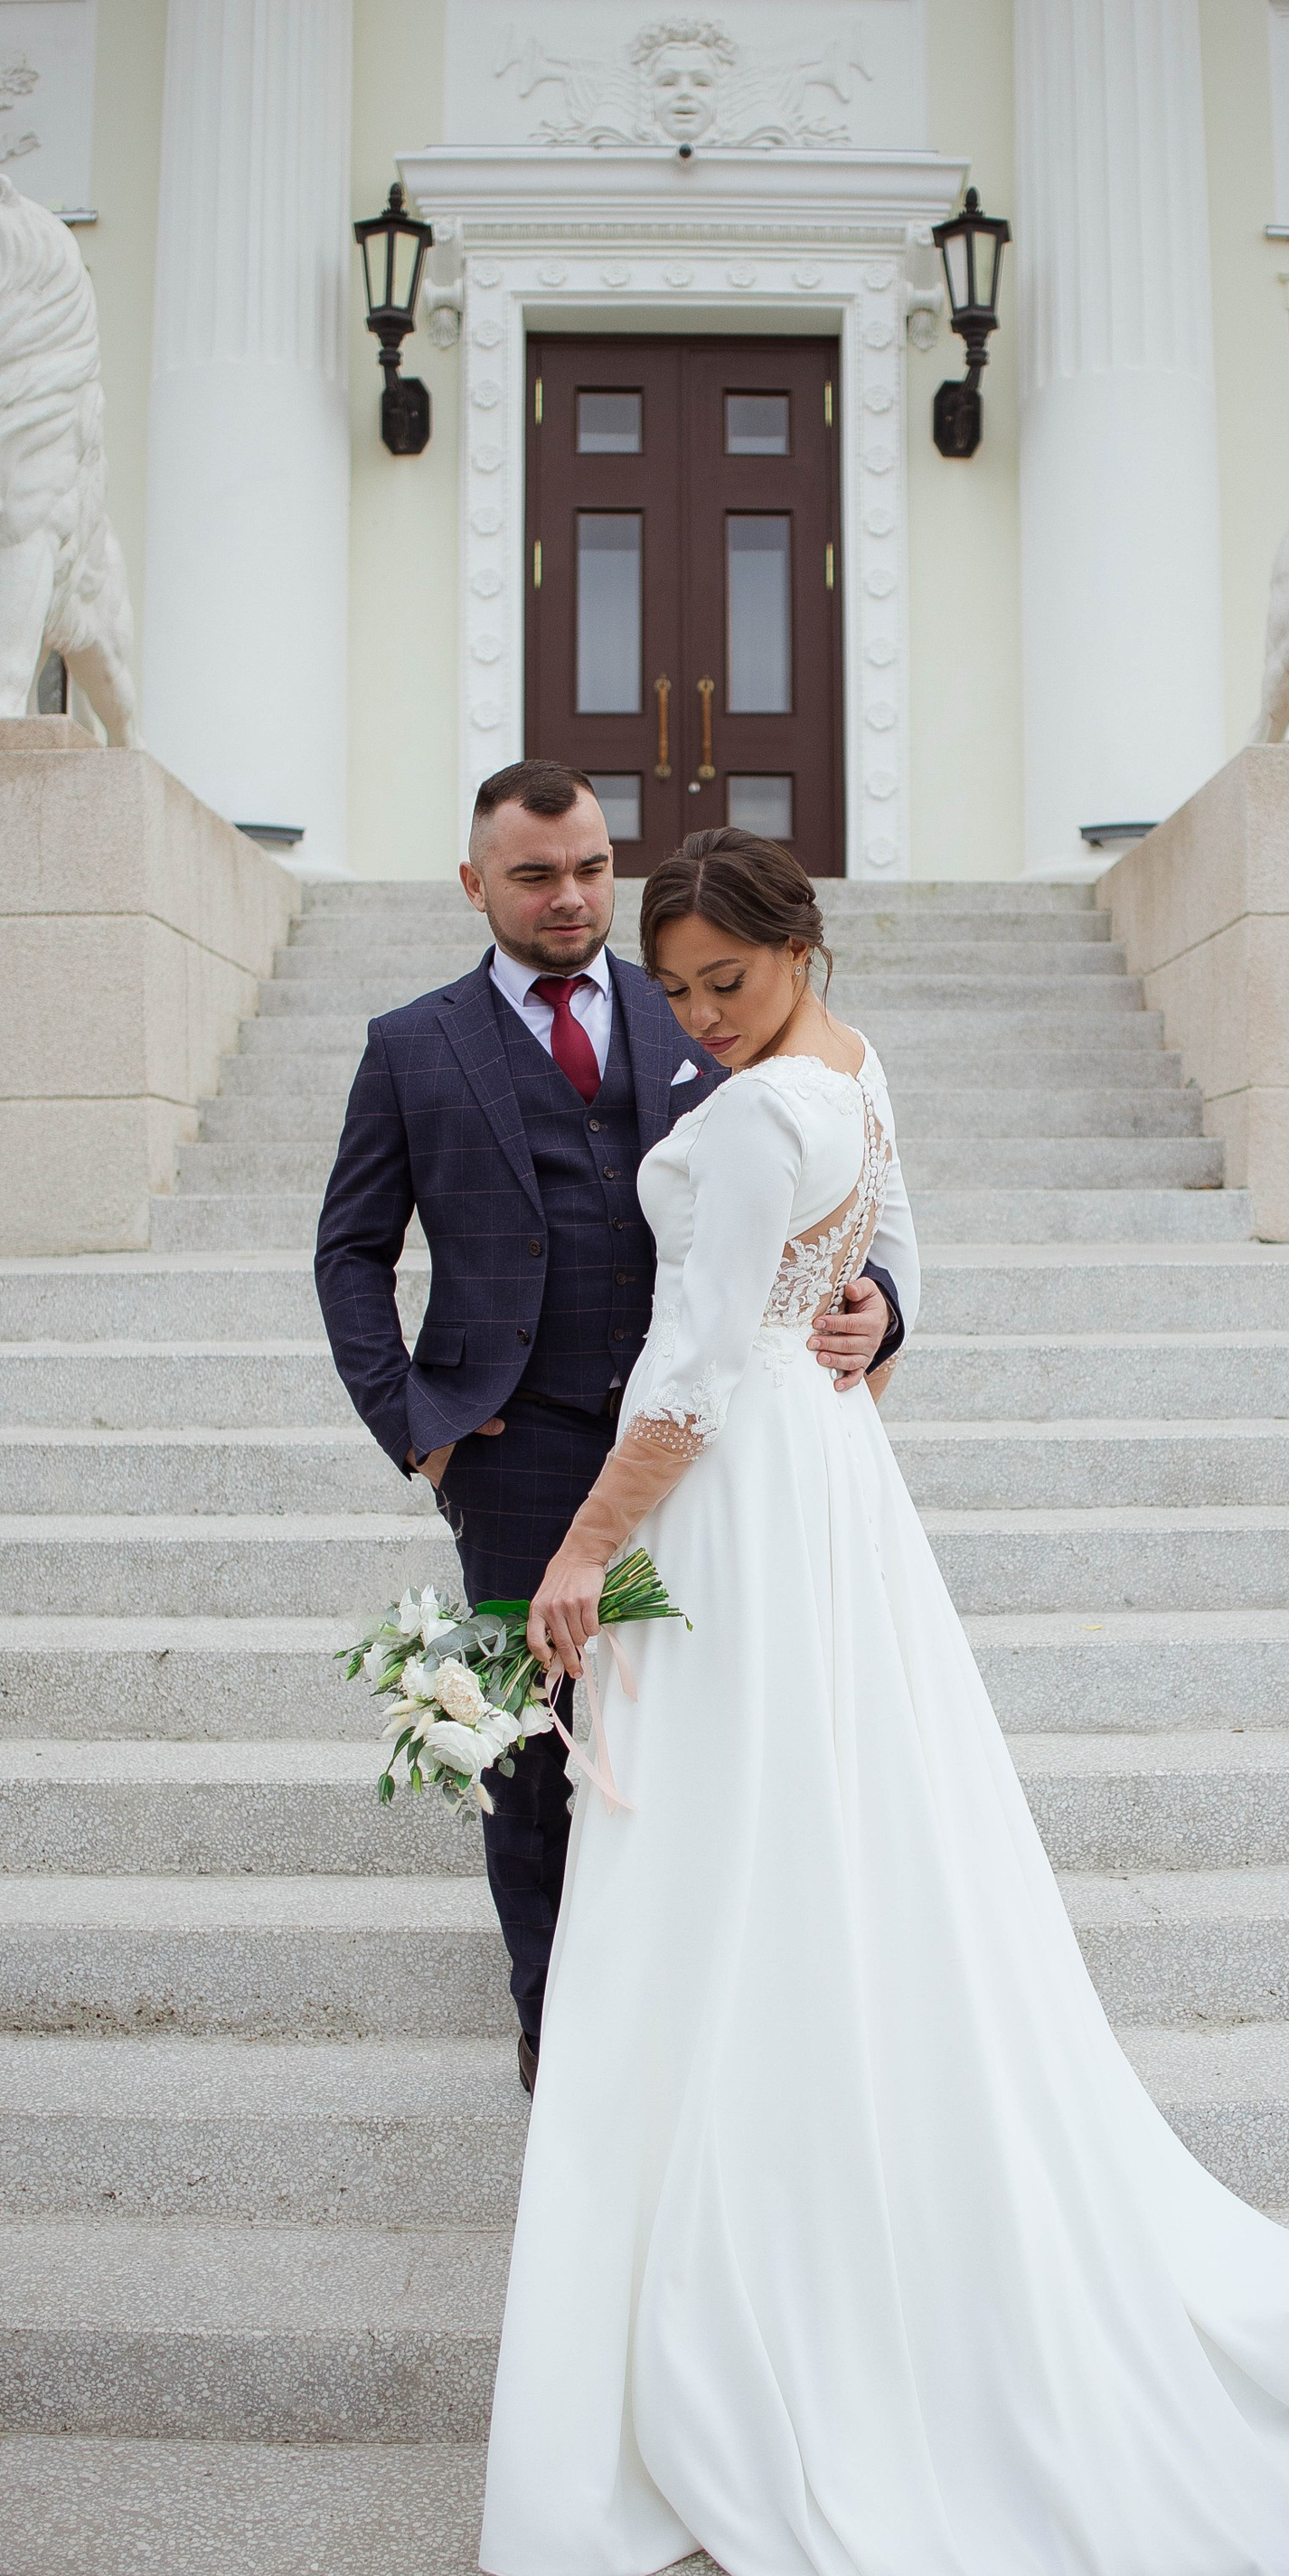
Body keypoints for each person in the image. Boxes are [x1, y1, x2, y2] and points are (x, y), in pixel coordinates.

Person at [477, 827, 1289, 2576]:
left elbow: (687, 1377)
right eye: (673, 989)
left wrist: (585, 1557)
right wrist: (857, 1315)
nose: (693, 1017)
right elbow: (871, 1250)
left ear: (795, 944)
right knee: (808, 1847)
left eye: (722, 982)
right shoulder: (848, 1066)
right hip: (821, 1494)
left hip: (748, 1499)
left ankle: (755, 2232)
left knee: (737, 1853)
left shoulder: (772, 1109)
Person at [314, 764, 899, 2090]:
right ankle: (559, 2039)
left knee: (697, 1744)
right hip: (516, 1454)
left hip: (710, 1457)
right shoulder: (412, 1045)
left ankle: (694, 2031)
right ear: (475, 884)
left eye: (588, 866)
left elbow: (826, 1190)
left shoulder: (706, 1000)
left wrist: (881, 1305)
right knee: (537, 1759)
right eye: (535, 874)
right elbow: (349, 1253)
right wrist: (422, 1428)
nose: (571, 894)